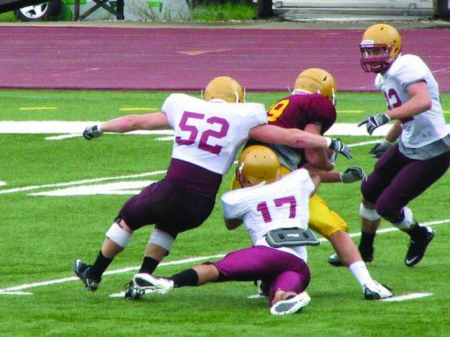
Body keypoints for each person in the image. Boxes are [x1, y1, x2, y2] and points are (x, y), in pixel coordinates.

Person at [73, 76, 353, 294]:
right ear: (237, 99)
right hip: (201, 205)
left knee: (128, 218)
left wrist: (99, 127)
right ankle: (144, 276)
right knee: (168, 226)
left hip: (173, 188)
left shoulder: (183, 106)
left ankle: (94, 273)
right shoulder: (243, 118)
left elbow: (135, 122)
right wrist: (328, 142)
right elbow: (293, 137)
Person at [238, 68, 392, 300]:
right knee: (335, 228)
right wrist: (328, 164)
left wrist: (339, 176)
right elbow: (311, 158)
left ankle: (266, 278)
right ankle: (368, 284)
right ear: (325, 92)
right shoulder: (317, 104)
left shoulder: (284, 106)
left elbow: (302, 171)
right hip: (277, 176)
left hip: (246, 173)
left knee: (264, 227)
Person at [126, 145, 320, 316]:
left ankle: (169, 281)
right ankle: (288, 298)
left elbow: (231, 224)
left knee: (217, 269)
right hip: (298, 263)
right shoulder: (298, 181)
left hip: (267, 252)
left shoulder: (237, 198)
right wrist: (341, 178)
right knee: (279, 294)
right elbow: (315, 175)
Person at [329, 23, 450, 267]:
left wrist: (385, 117)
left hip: (433, 150)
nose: (373, 57)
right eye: (369, 52)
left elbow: (423, 101)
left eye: (378, 51)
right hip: (409, 143)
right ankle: (364, 250)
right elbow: (405, 112)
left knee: (387, 206)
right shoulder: (383, 78)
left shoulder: (407, 65)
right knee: (370, 191)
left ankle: (419, 234)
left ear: (394, 49)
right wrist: (388, 140)